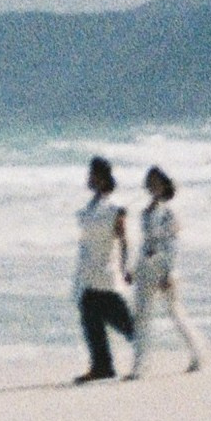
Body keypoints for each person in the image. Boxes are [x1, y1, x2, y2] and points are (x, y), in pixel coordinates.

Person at [129, 164, 205, 376]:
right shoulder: (144, 213)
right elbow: (145, 244)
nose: (152, 185)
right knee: (142, 317)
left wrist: (168, 273)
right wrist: (134, 269)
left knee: (174, 312)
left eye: (156, 182)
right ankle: (140, 366)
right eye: (150, 182)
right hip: (146, 267)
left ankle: (198, 353)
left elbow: (172, 245)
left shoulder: (169, 213)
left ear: (164, 186)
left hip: (163, 268)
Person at [72, 154, 134, 380]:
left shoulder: (115, 208)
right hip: (89, 270)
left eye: (92, 174)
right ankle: (102, 365)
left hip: (106, 270)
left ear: (101, 178)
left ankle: (140, 344)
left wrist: (127, 267)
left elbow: (123, 239)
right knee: (91, 314)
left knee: (118, 317)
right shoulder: (90, 207)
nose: (88, 178)